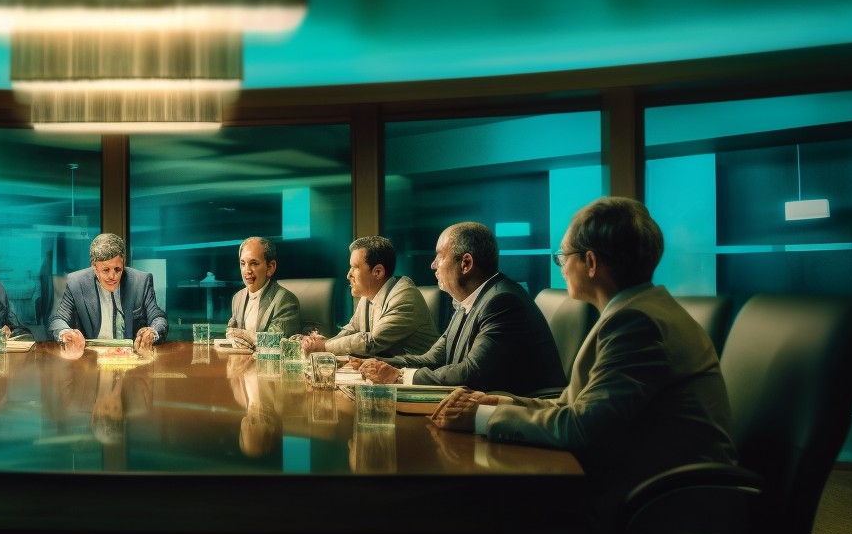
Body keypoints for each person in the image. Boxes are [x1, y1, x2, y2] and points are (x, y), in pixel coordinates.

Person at [430, 198, 736, 505]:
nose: (561, 265)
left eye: (563, 255)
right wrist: (499, 401)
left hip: (664, 511)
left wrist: (481, 417)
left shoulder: (636, 324)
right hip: (638, 487)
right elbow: (574, 405)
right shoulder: (635, 311)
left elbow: (583, 428)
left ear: (590, 263)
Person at [359, 222, 565, 397]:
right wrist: (374, 362)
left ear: (466, 263)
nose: (433, 265)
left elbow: (472, 373)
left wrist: (399, 376)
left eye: (440, 256)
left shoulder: (503, 302)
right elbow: (431, 359)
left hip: (521, 415)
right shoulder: (469, 301)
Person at [300, 235, 437, 358]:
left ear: (378, 272)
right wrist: (323, 342)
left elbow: (371, 342)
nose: (348, 275)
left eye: (354, 267)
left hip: (420, 379)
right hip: (391, 376)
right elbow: (352, 330)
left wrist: (323, 347)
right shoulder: (368, 296)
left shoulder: (404, 297)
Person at [49, 233, 168, 353]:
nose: (112, 276)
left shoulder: (140, 281)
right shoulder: (76, 283)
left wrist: (153, 332)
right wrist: (65, 333)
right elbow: (59, 320)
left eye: (117, 269)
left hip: (131, 358)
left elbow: (158, 317)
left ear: (123, 263)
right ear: (94, 267)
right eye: (105, 270)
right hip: (91, 359)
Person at [224, 236, 301, 347]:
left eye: (254, 263)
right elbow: (231, 331)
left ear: (270, 267)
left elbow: (277, 342)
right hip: (241, 361)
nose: (247, 270)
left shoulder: (285, 300)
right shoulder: (238, 298)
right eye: (243, 263)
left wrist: (247, 336)